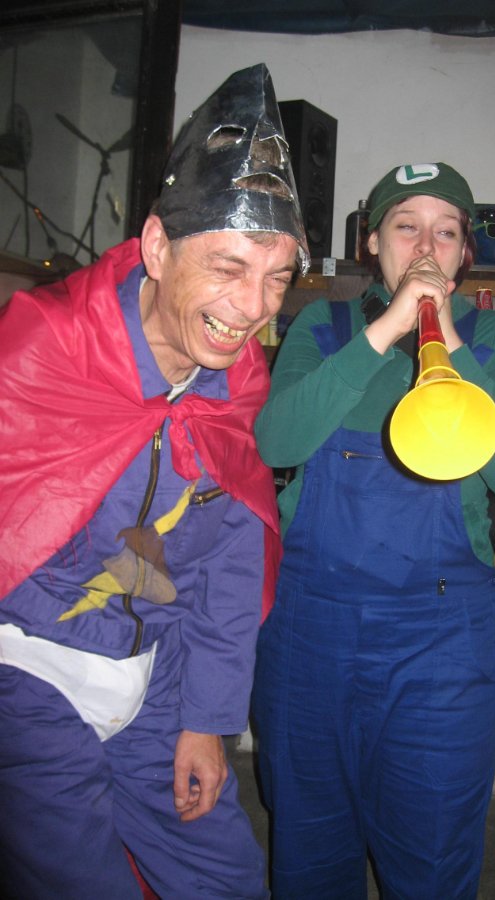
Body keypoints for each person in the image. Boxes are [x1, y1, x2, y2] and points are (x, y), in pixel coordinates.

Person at [0, 63, 308, 900]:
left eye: (276, 277)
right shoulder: (42, 350)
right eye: (228, 267)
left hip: (155, 678)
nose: (253, 307)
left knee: (227, 882)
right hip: (24, 668)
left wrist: (206, 720)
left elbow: (228, 569)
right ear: (158, 247)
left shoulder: (236, 388)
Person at [252, 162, 495, 899]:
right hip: (310, 634)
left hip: (441, 646)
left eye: (444, 232)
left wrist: (447, 343)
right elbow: (276, 442)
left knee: (432, 855)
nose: (424, 247)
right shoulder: (322, 329)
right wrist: (386, 329)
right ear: (371, 241)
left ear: (464, 252)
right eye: (405, 226)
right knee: (309, 848)